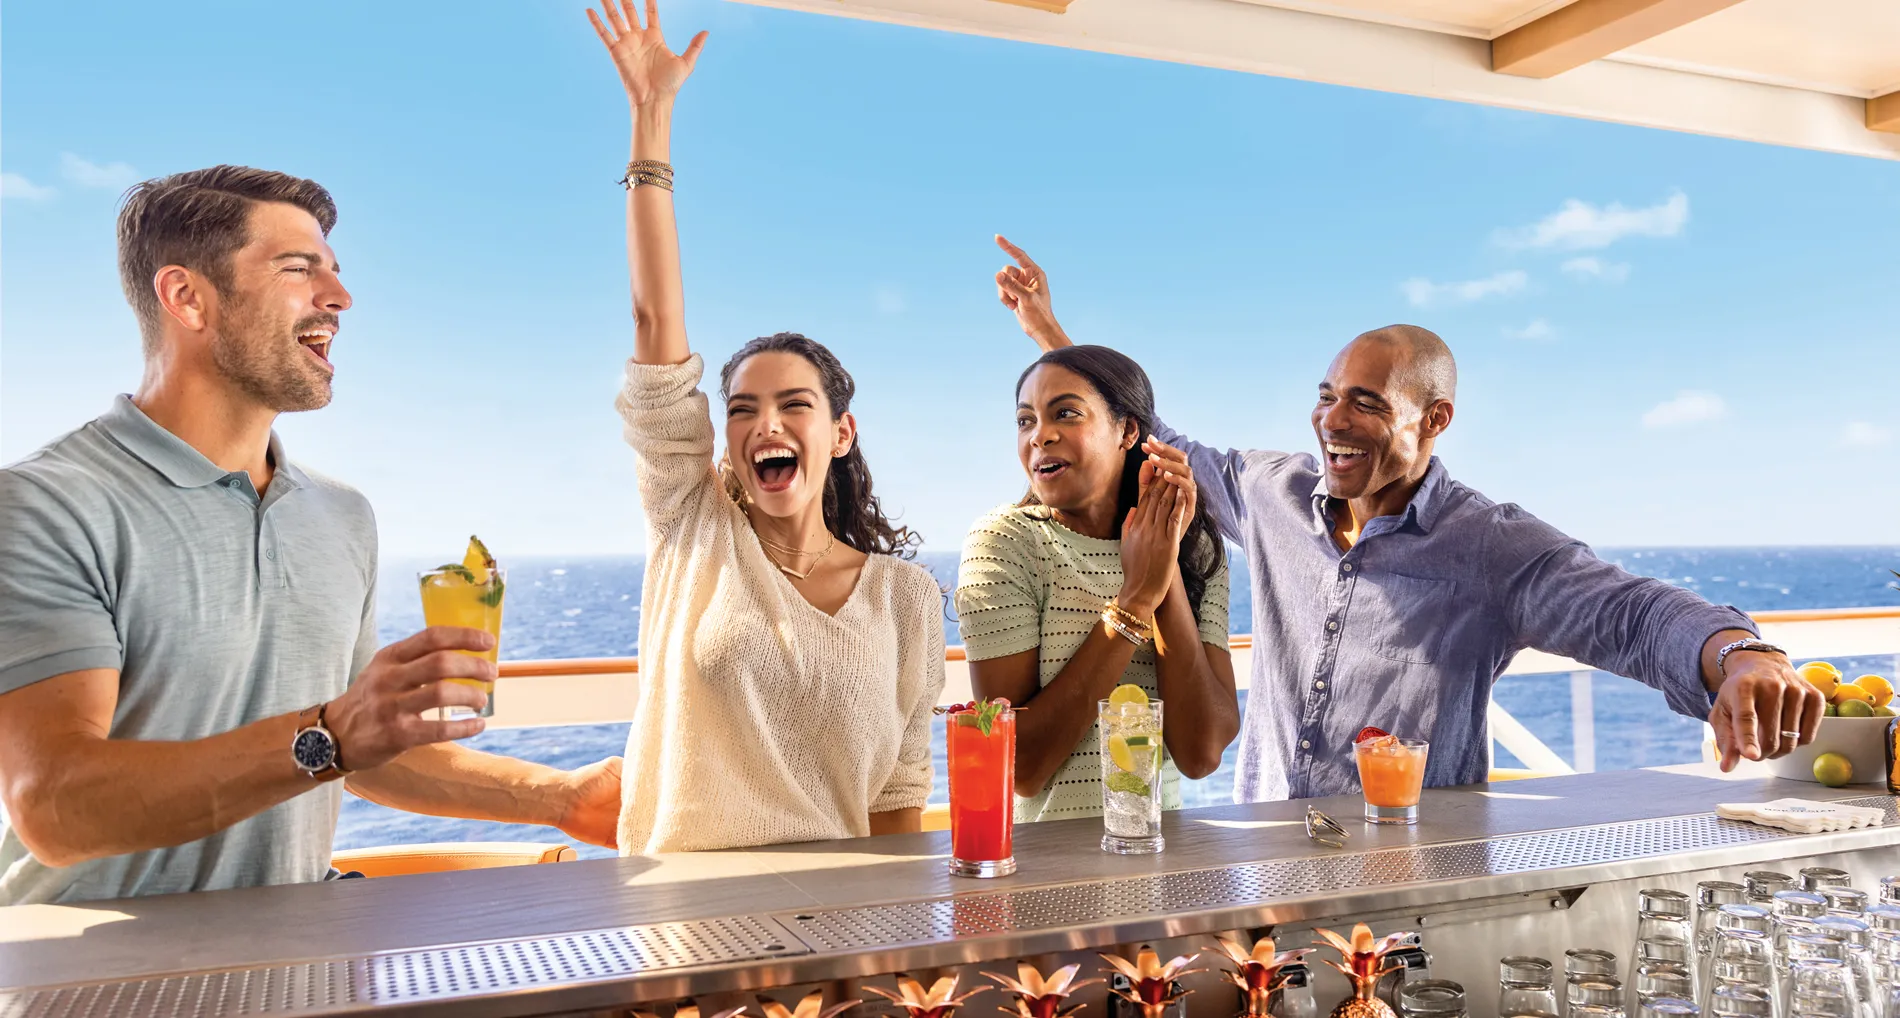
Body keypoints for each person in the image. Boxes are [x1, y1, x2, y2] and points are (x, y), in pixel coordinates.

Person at [989, 236, 1823, 802]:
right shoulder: (1270, 492)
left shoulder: (1491, 547)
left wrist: (1741, 655)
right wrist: (1051, 336)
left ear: (1435, 420)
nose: (1333, 420)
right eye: (1326, 396)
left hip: (1410, 885)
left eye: (1365, 403)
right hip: (1266, 873)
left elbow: (1632, 613)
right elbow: (1150, 438)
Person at [0, 166, 623, 906]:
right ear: (187, 297)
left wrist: (562, 797)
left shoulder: (341, 514)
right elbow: (57, 807)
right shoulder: (46, 504)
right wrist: (331, 733)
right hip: (89, 964)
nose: (340, 297)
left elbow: (354, 752)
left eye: (334, 269)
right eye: (299, 269)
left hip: (300, 947)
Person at [588, 0, 945, 853]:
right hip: (684, 917)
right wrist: (651, 120)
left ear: (841, 434)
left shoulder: (905, 599)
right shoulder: (693, 525)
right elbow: (653, 321)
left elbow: (900, 793)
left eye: (794, 405)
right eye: (742, 409)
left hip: (844, 919)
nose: (763, 424)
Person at [955, 344, 1239, 821]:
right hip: (1048, 863)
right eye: (1025, 421)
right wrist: (1135, 602)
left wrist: (1164, 560)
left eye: (1065, 413)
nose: (1040, 435)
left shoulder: (1196, 547)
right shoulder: (1006, 542)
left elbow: (1201, 753)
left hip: (1162, 858)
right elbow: (1020, 767)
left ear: (1127, 430)